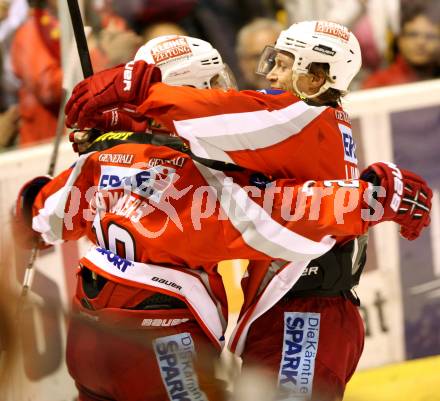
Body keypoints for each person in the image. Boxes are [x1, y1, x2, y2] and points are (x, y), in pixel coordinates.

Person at [63, 25, 432, 401]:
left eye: (283, 65)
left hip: (304, 316)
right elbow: (218, 137)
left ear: (317, 76)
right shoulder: (305, 121)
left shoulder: (296, 117)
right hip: (294, 311)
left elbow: (218, 119)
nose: (269, 74)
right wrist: (126, 124)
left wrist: (138, 93)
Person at [9, 0, 62, 146]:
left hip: (56, 137)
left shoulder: (49, 25)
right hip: (45, 141)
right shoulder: (33, 30)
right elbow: (47, 87)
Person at [362, 1, 440, 89]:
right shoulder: (378, 83)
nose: (421, 42)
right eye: (412, 35)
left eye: (430, 36)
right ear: (400, 40)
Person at [236, 18, 283, 89]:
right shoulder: (232, 99)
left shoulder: (302, 97)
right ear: (243, 62)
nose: (265, 65)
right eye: (257, 57)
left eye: (272, 55)